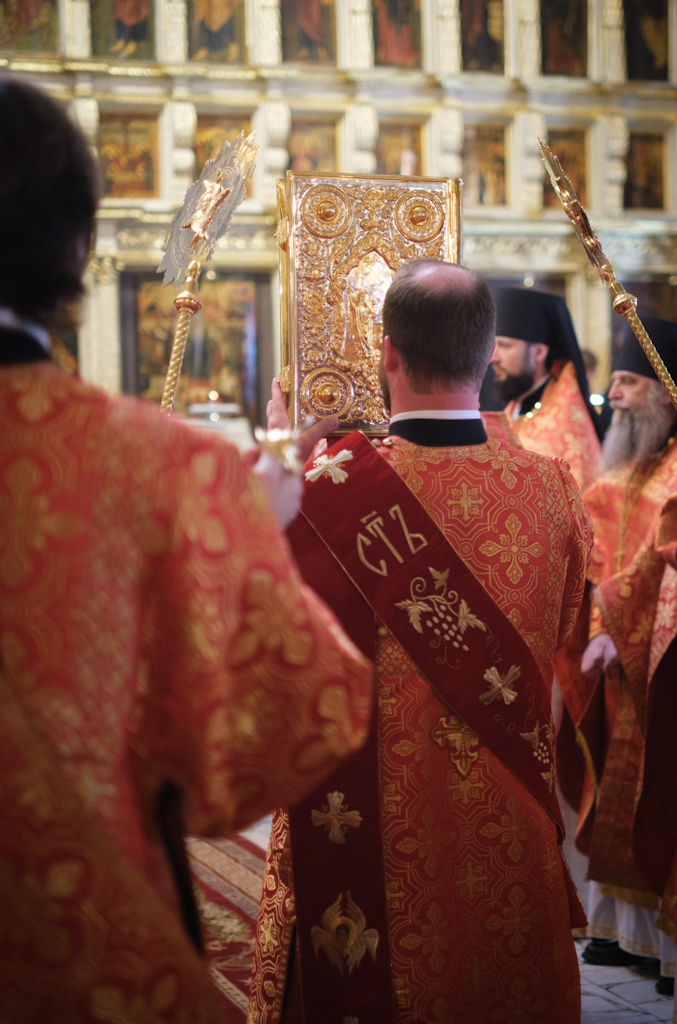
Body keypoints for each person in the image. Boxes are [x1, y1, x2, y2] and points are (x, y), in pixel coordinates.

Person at [0, 76, 373, 1019]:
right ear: (78, 250)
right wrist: (240, 541)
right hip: (88, 951)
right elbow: (297, 720)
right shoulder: (169, 469)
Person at [248, 259, 593, 1024]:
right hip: (506, 830)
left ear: (388, 353)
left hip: (369, 845)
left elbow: (254, 635)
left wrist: (278, 453)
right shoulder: (553, 491)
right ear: (485, 355)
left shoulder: (316, 488)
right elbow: (565, 629)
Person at [556, 314, 677, 996]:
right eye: (618, 382)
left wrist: (615, 625)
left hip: (662, 661)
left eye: (631, 382)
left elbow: (660, 563)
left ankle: (662, 944)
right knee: (607, 787)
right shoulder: (617, 474)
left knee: (656, 789)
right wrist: (593, 624)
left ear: (666, 392)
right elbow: (594, 562)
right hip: (610, 662)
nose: (618, 397)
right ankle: (615, 929)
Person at [488, 287, 603, 493]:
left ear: (539, 352)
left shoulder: (567, 423)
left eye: (505, 346)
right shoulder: (515, 404)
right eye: (493, 346)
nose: (494, 358)